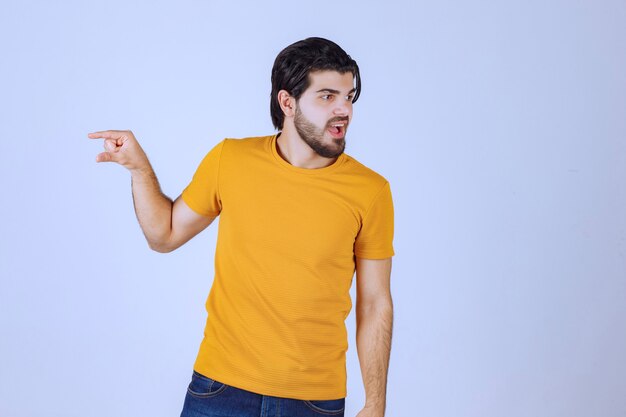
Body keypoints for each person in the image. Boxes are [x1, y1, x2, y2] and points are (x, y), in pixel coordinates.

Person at [88, 37, 394, 417]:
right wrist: (138, 168)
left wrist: (376, 403)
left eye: (349, 96)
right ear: (288, 102)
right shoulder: (230, 160)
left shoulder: (371, 191)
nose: (343, 109)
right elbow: (163, 234)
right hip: (219, 391)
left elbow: (375, 302)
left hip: (315, 402)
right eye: (327, 96)